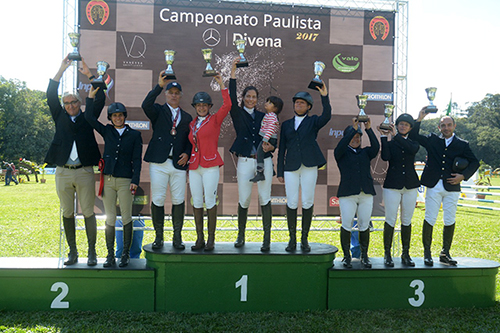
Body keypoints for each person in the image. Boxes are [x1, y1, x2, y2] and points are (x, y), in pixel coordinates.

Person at [45, 56, 101, 266]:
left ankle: (92, 253)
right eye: (66, 103)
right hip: (63, 172)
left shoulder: (88, 117)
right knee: (67, 213)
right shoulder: (59, 115)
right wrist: (62, 68)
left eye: (74, 102)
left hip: (84, 171)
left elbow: (101, 95)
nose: (70, 105)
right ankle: (73, 253)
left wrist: (89, 74)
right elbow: (51, 94)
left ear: (80, 103)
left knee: (88, 212)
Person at [409, 109, 479, 266]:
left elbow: (475, 162)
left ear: (454, 126)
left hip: (452, 187)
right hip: (433, 185)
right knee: (430, 217)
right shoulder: (432, 140)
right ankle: (427, 253)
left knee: (450, 219)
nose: (446, 128)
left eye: (448, 125)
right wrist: (419, 118)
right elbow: (414, 136)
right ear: (439, 127)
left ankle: (445, 252)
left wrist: (463, 176)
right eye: (443, 125)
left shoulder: (462, 144)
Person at [85, 87, 142, 267]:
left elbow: (137, 161)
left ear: (124, 116)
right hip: (108, 180)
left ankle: (125, 254)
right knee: (109, 218)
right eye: (114, 115)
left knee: (126, 217)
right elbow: (89, 118)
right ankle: (110, 255)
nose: (118, 118)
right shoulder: (107, 131)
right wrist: (90, 98)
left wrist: (135, 180)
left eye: (120, 115)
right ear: (110, 118)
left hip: (125, 181)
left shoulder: (134, 135)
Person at [277, 83, 331, 252]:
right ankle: (292, 239)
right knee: (291, 202)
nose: (298, 105)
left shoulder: (313, 121)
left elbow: (327, 115)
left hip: (309, 166)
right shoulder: (286, 124)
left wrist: (324, 96)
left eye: (302, 103)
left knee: (307, 201)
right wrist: (279, 171)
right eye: (296, 102)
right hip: (291, 166)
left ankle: (304, 239)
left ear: (308, 106)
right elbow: (281, 149)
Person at [141, 72, 192, 250]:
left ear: (181, 96)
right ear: (166, 94)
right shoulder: (158, 111)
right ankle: (159, 237)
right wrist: (159, 86)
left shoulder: (186, 117)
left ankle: (177, 237)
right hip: (159, 163)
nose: (174, 95)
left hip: (178, 163)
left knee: (178, 199)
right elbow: (145, 105)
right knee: (158, 198)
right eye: (171, 92)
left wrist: (187, 153)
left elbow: (190, 141)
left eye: (177, 93)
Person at [229, 57, 275, 252]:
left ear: (258, 99)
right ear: (243, 98)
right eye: (248, 96)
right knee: (244, 199)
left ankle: (266, 239)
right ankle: (241, 235)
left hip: (264, 162)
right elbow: (230, 96)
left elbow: (273, 136)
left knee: (265, 198)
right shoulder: (237, 113)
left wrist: (272, 146)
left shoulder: (265, 116)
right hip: (245, 161)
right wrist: (233, 72)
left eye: (254, 97)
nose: (251, 99)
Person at [188, 74, 231, 251]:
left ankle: (211, 240)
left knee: (210, 201)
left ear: (209, 107)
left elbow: (227, 105)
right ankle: (199, 239)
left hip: (210, 166)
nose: (201, 108)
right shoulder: (191, 124)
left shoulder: (214, 120)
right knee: (197, 201)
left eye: (204, 105)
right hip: (194, 166)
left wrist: (222, 85)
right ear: (195, 107)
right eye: (199, 105)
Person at [335, 117, 379, 268]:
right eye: (352, 136)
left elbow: (376, 146)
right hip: (348, 194)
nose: (355, 139)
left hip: (365, 194)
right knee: (347, 224)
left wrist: (368, 129)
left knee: (364, 225)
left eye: (358, 137)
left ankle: (365, 256)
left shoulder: (365, 152)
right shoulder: (341, 153)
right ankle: (346, 256)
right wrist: (353, 129)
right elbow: (340, 147)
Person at [377, 114, 420, 267]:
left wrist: (395, 136)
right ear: (396, 125)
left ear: (410, 128)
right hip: (392, 185)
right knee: (390, 219)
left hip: (410, 185)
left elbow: (412, 149)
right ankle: (387, 253)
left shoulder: (413, 142)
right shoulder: (392, 142)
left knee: (406, 220)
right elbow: (385, 157)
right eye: (400, 124)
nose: (403, 127)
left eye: (406, 125)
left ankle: (406, 253)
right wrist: (384, 138)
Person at [249, 96, 283, 183]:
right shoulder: (269, 115)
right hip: (267, 138)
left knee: (259, 155)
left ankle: (260, 173)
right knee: (264, 154)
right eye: (267, 101)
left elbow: (271, 128)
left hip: (268, 138)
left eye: (270, 103)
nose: (266, 103)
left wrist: (265, 139)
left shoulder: (271, 116)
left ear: (275, 108)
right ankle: (272, 170)